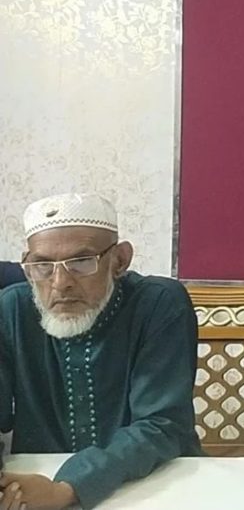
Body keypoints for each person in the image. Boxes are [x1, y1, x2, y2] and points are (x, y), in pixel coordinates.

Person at [0, 193, 200, 509]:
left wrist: (67, 489)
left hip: (155, 484)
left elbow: (162, 424)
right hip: (35, 487)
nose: (60, 283)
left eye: (81, 262)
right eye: (43, 266)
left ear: (119, 260)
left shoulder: (159, 303)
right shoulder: (11, 309)